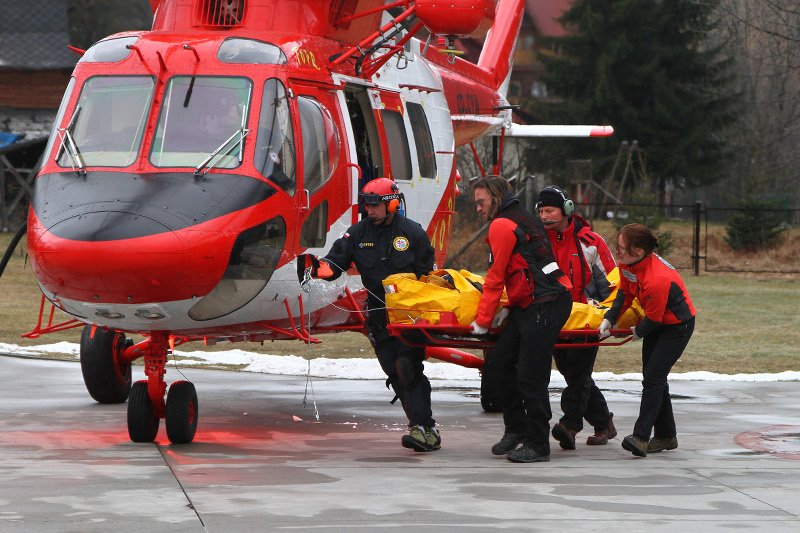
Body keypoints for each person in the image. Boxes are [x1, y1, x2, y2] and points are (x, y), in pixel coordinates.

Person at [299, 178, 440, 452]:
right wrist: (313, 268)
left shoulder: (413, 233)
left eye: (375, 205)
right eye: (366, 204)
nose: (369, 210)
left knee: (407, 367)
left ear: (393, 204)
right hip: (377, 314)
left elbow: (430, 277)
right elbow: (334, 265)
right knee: (395, 371)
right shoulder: (357, 234)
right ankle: (424, 427)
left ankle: (421, 427)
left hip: (408, 313)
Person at [471, 176, 573, 463]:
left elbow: (495, 276)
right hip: (532, 302)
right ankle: (516, 429)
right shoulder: (521, 217)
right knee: (499, 362)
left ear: (495, 196)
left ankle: (538, 444)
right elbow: (523, 268)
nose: (478, 208)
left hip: (546, 303)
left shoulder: (502, 224)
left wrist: (483, 320)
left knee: (531, 374)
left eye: (481, 202)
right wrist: (511, 305)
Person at [598, 223, 696, 457]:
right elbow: (625, 292)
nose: (617, 252)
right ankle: (666, 436)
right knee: (654, 377)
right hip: (657, 323)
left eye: (622, 248)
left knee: (653, 378)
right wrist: (610, 318)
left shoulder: (656, 279)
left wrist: (637, 331)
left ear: (639, 252)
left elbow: (653, 319)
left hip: (676, 327)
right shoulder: (628, 265)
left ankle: (640, 437)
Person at [536, 186, 618, 450]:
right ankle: (604, 422)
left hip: (586, 320)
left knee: (580, 373)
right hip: (553, 319)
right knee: (571, 373)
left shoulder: (589, 242)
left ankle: (570, 426)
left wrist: (608, 315)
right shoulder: (538, 241)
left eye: (550, 210)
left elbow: (611, 283)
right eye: (541, 211)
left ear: (567, 211)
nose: (545, 216)